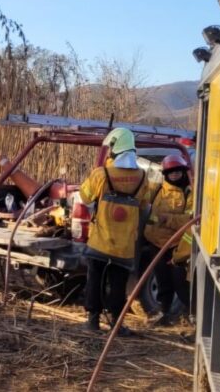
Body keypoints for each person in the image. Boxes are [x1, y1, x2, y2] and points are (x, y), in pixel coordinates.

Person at [79, 128, 151, 335]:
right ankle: (116, 324)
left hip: (100, 241)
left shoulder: (101, 174)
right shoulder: (142, 176)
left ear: (113, 149)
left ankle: (93, 321)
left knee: (95, 279)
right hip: (125, 244)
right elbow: (144, 204)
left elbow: (85, 197)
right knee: (118, 283)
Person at [143, 153, 194, 325]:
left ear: (183, 172)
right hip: (156, 244)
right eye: (171, 172)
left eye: (177, 172)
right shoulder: (157, 189)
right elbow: (139, 196)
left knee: (181, 283)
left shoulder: (189, 192)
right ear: (165, 174)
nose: (174, 175)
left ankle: (192, 317)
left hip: (177, 246)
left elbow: (190, 220)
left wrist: (168, 219)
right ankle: (164, 313)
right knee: (162, 281)